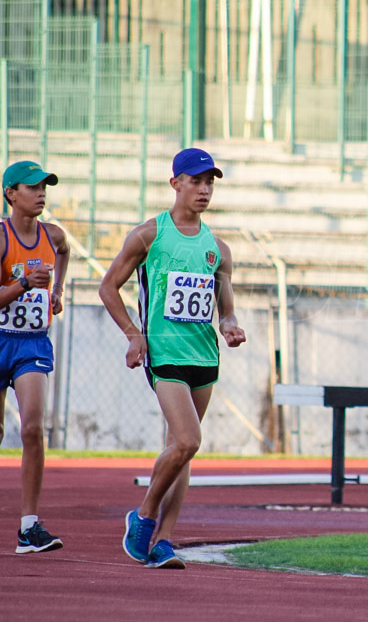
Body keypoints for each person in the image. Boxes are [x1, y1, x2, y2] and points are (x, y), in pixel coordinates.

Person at [98, 148, 246, 569]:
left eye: (210, 182)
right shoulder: (149, 235)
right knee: (188, 440)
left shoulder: (217, 247)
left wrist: (229, 323)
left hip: (204, 356)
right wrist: (133, 334)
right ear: (175, 183)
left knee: (181, 450)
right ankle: (143, 516)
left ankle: (164, 540)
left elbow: (225, 299)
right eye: (196, 181)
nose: (204, 189)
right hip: (164, 354)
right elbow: (109, 287)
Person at [1, 160, 70, 554]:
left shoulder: (52, 235)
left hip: (31, 344)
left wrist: (57, 291)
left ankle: (29, 526)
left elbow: (64, 250)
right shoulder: (2, 238)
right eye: (32, 187)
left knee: (32, 429)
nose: (41, 193)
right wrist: (24, 283)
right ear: (11, 194)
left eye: (44, 186)